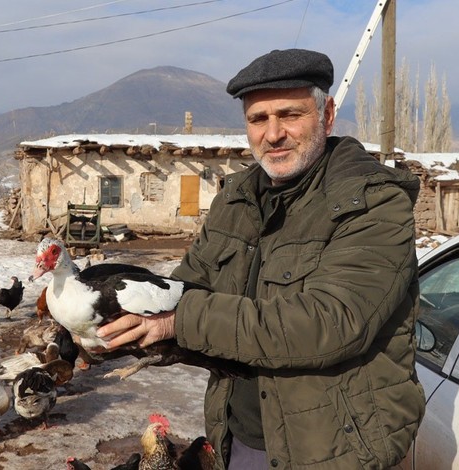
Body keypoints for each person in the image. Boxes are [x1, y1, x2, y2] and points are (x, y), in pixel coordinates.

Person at [96, 49, 425, 469]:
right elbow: (186, 287)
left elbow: (330, 321)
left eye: (289, 115)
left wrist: (179, 320)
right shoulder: (236, 199)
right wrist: (108, 315)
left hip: (331, 449)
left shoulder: (373, 204)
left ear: (326, 116)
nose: (273, 134)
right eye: (258, 119)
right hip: (240, 436)